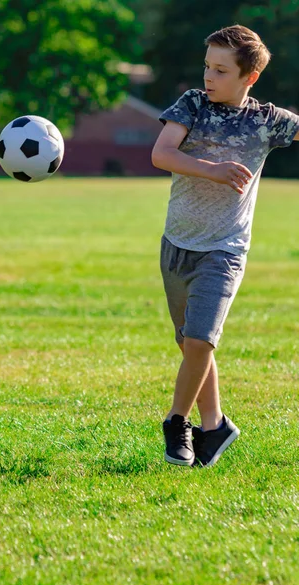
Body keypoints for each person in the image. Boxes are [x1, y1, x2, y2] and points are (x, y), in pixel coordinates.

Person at [151, 24, 299, 468]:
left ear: (248, 78)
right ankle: (215, 426)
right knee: (190, 344)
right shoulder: (193, 104)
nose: (208, 78)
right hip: (177, 245)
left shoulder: (268, 121)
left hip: (225, 250)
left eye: (220, 70)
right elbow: (161, 154)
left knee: (201, 341)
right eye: (206, 67)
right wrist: (212, 170)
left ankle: (177, 422)